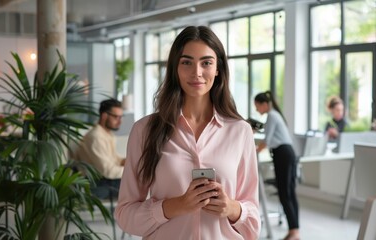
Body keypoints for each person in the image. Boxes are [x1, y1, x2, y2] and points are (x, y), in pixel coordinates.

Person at [115, 26, 260, 239]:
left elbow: (254, 224)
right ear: (175, 68)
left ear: (218, 68)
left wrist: (231, 208)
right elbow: (125, 214)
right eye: (187, 62)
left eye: (206, 63)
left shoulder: (240, 131)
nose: (197, 72)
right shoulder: (144, 130)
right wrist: (175, 206)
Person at [254, 91, 300, 240]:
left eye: (257, 106)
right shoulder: (275, 115)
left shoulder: (272, 116)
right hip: (288, 153)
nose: (256, 110)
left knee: (285, 194)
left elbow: (266, 140)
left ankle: (294, 231)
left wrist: (252, 151)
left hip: (283, 155)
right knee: (290, 193)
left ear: (264, 104)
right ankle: (295, 230)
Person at [75, 98, 125, 180]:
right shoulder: (95, 137)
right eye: (116, 117)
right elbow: (108, 171)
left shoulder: (107, 134)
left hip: (106, 179)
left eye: (121, 117)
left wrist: (125, 161)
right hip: (97, 182)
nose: (120, 122)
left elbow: (114, 159)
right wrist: (133, 170)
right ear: (104, 116)